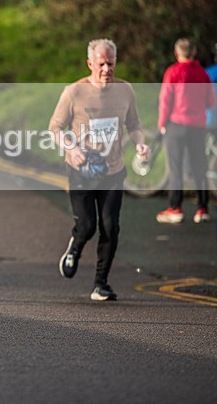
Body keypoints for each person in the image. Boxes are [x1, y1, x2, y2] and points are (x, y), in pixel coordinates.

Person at [50, 39, 150, 301]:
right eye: (101, 64)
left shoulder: (125, 90)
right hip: (81, 170)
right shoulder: (74, 92)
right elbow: (56, 129)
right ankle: (75, 246)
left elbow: (134, 124)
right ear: (90, 64)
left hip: (113, 170)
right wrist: (72, 149)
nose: (107, 69)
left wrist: (141, 145)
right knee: (87, 226)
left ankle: (100, 283)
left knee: (110, 227)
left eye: (111, 63)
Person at [155, 38, 215, 224]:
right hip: (197, 126)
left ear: (176, 53)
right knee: (199, 167)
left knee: (176, 167)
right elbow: (210, 101)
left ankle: (175, 208)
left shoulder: (173, 72)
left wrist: (161, 123)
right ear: (194, 52)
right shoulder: (202, 73)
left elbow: (165, 100)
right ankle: (202, 208)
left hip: (177, 124)